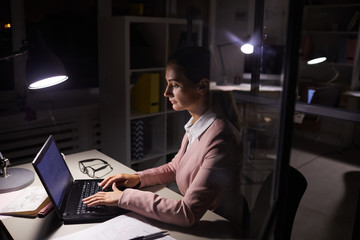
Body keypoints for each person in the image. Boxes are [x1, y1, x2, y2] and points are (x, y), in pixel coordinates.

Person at [83, 46, 247, 227]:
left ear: (202, 86)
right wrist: (137, 179)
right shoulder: (197, 123)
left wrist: (125, 197)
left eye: (175, 85)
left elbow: (187, 213)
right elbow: (175, 167)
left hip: (217, 229)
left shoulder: (221, 138)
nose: (166, 93)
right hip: (203, 220)